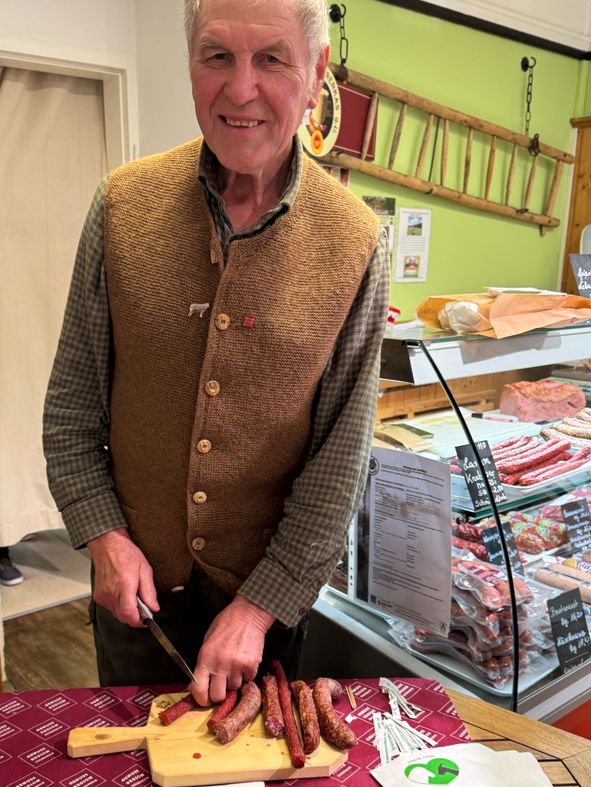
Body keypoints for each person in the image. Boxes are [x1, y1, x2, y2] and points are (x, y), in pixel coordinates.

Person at [43, 0, 388, 707]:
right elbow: (72, 408)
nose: (239, 90)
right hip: (131, 601)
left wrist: (261, 606)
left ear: (316, 69)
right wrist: (102, 536)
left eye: (271, 58)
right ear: (190, 63)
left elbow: (339, 460)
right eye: (217, 56)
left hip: (265, 617)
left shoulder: (355, 240)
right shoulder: (121, 206)